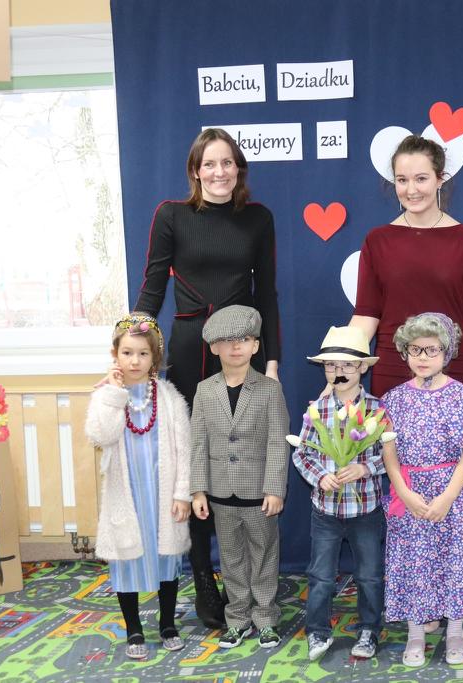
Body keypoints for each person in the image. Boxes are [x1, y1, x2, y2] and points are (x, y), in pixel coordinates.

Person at [135, 127, 282, 628]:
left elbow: (267, 295)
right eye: (209, 164)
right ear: (196, 172)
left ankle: (253, 578)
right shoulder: (171, 215)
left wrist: (272, 361)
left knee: (244, 462)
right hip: (187, 350)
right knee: (195, 463)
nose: (219, 172)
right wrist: (133, 352)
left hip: (243, 352)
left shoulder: (258, 218)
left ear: (239, 169)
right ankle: (203, 576)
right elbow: (152, 288)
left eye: (228, 163)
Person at [351, 135, 463, 396]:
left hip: (452, 368)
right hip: (393, 368)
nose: (411, 190)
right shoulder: (377, 240)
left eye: (421, 179)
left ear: (440, 179)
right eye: (402, 180)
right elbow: (366, 315)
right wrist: (341, 365)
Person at [84, 313, 191, 660]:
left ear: (154, 358)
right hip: (127, 493)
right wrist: (115, 394)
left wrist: (182, 493)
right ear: (115, 355)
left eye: (143, 354)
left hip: (161, 494)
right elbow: (101, 435)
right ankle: (133, 628)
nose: (135, 361)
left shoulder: (169, 397)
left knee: (166, 557)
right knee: (126, 559)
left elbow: (185, 449)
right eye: (127, 353)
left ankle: (167, 624)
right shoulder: (106, 396)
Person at [380, 313, 463, 667]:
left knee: (454, 561)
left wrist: (448, 496)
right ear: (404, 352)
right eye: (415, 349)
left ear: (446, 352)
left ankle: (454, 631)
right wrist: (405, 493)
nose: (422, 357)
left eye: (432, 350)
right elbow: (389, 454)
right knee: (414, 562)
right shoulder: (393, 399)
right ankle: (415, 633)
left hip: (453, 491)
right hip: (410, 491)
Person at [189, 305, 289, 650]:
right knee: (231, 558)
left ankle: (266, 618)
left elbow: (278, 442)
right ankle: (237, 619)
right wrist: (198, 490)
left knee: (263, 555)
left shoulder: (269, 390)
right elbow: (198, 443)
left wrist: (274, 488)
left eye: (244, 339)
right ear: (214, 347)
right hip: (220, 492)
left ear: (255, 346)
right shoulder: (205, 390)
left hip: (258, 492)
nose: (236, 346)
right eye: (227, 340)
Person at [291, 326, 386, 662]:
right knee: (320, 576)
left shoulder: (376, 409)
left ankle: (369, 630)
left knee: (370, 575)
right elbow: (302, 454)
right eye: (331, 365)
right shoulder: (316, 410)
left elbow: (390, 455)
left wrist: (366, 468)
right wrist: (320, 477)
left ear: (362, 368)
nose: (338, 371)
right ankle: (317, 631)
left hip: (366, 509)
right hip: (326, 511)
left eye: (347, 365)